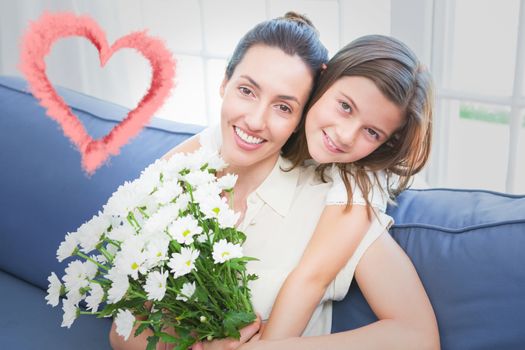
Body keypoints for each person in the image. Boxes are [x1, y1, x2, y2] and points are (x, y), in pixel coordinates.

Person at [110, 12, 439, 350]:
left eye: (283, 106)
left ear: (302, 109)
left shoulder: (341, 202)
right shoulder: (181, 175)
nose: (255, 121)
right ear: (224, 83)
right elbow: (123, 332)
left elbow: (417, 337)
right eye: (247, 90)